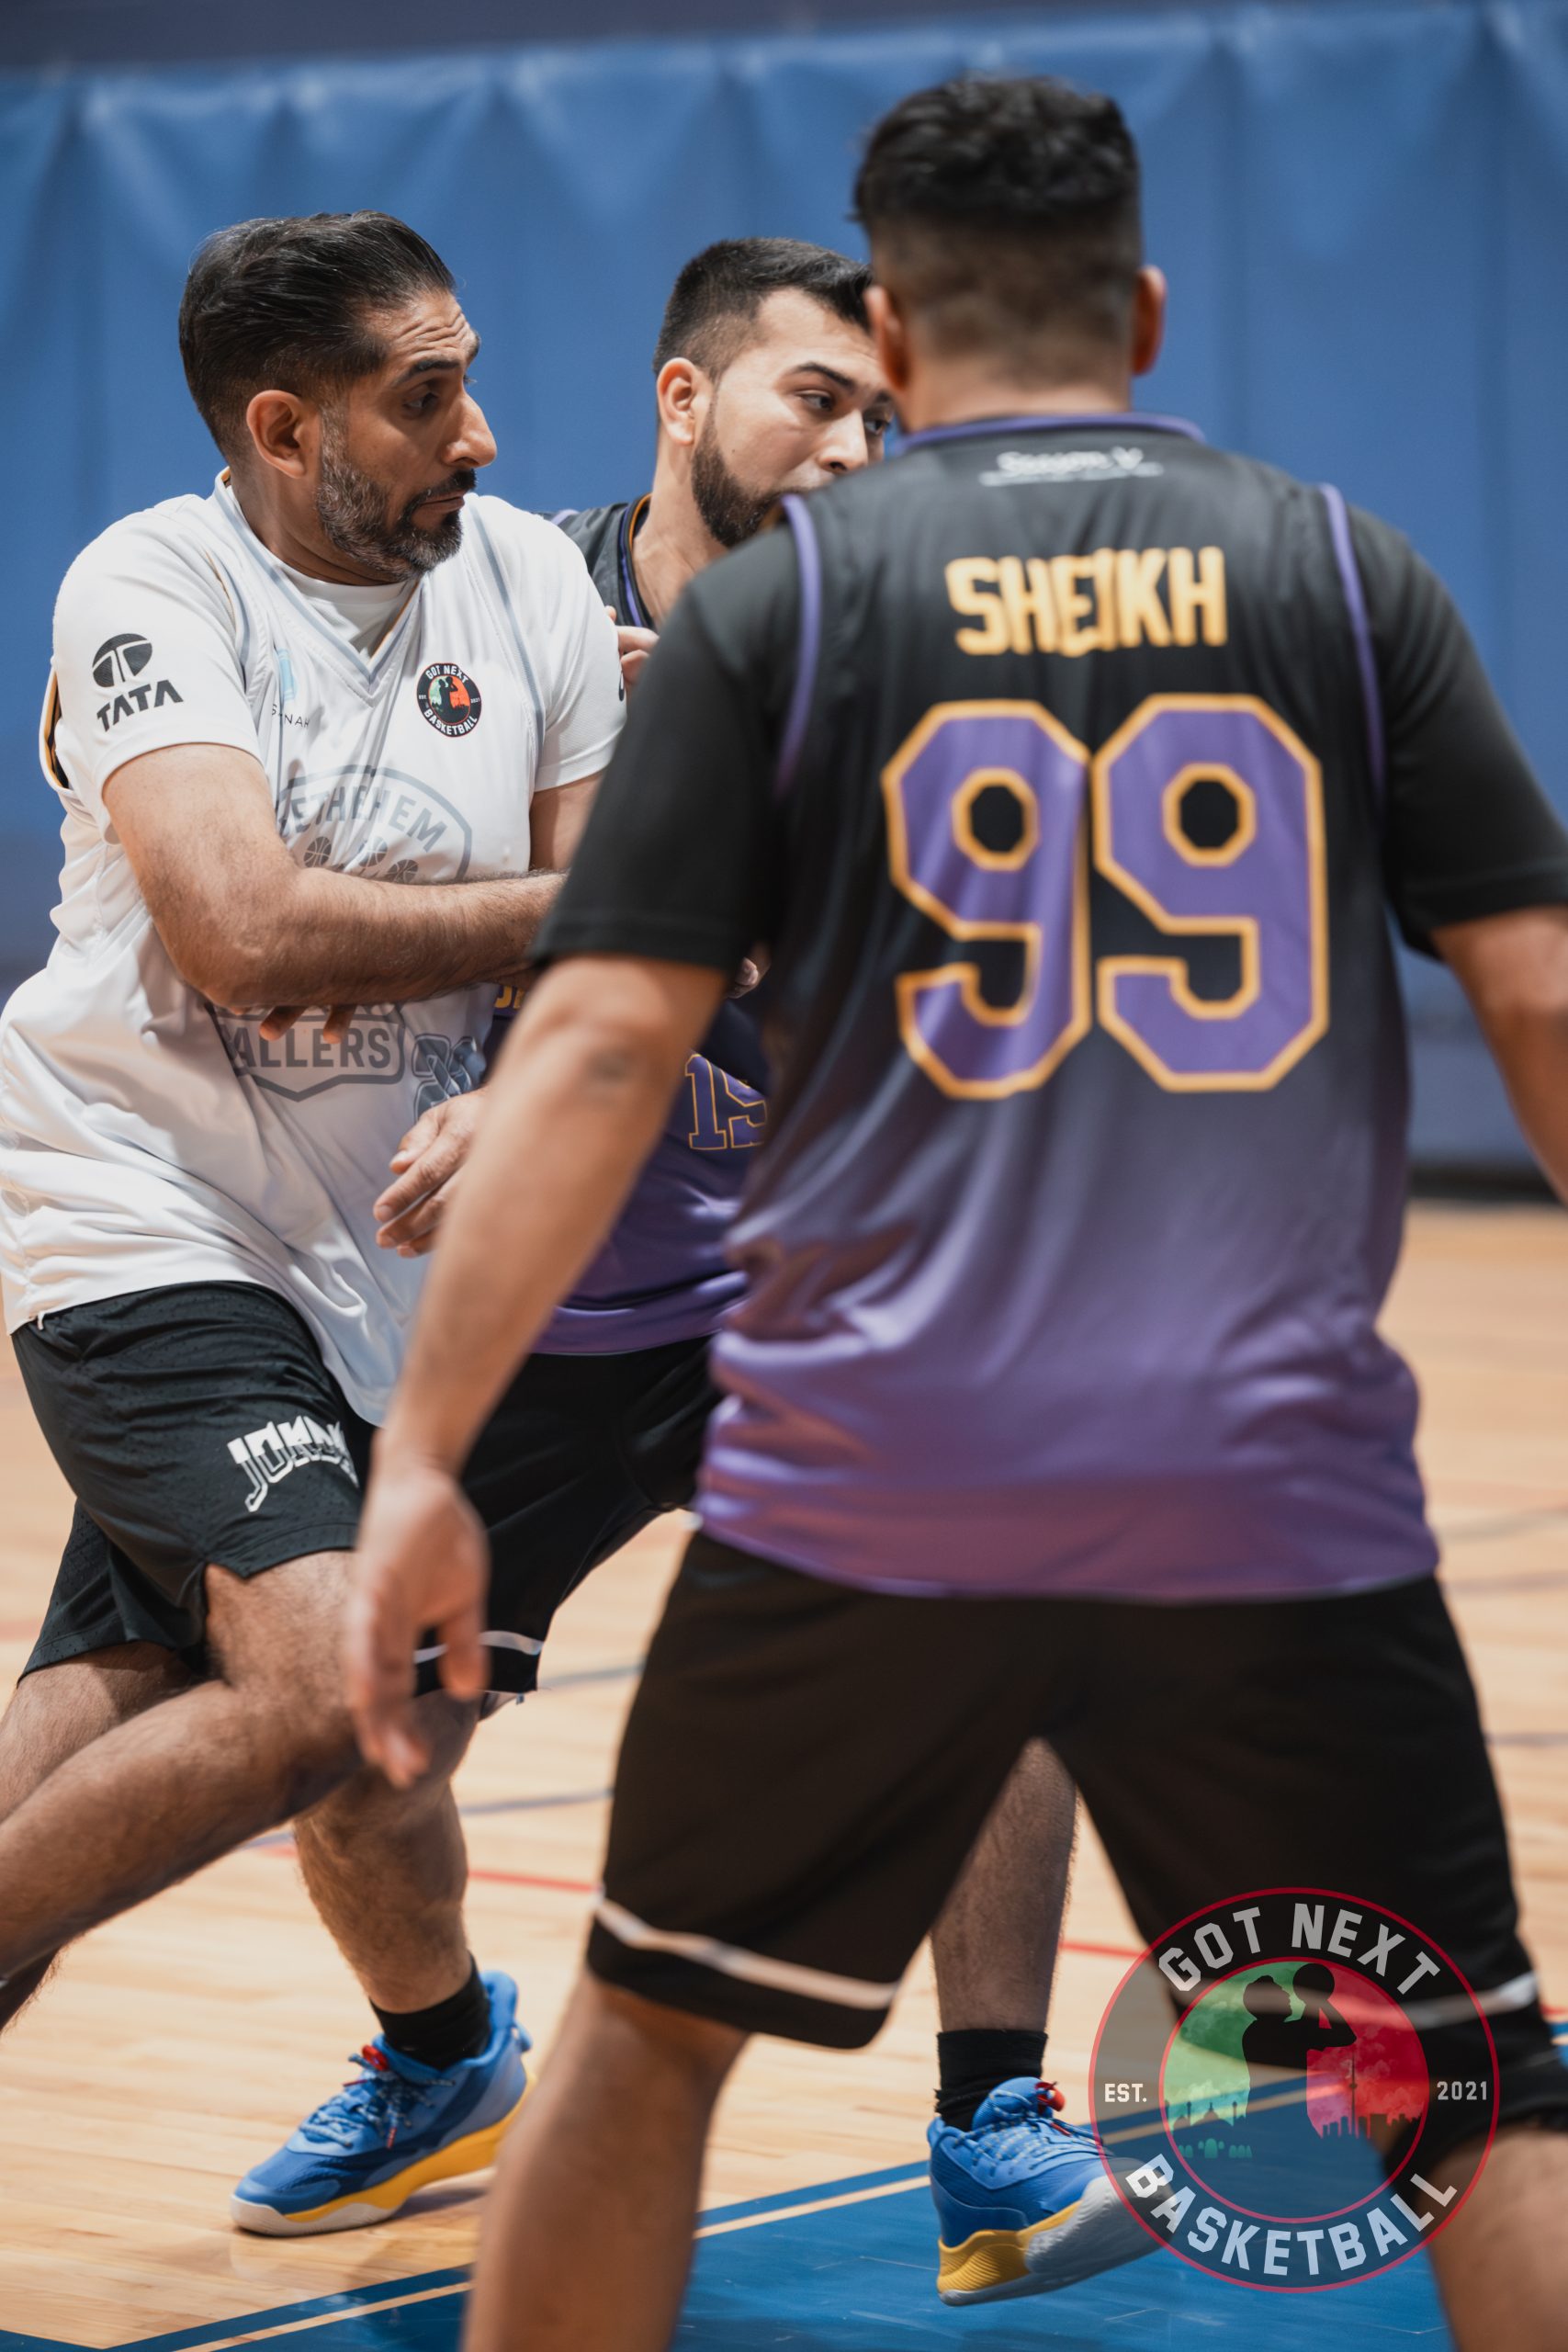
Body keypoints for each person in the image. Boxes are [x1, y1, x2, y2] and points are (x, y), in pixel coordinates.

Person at [344, 72, 1568, 2352]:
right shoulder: (1336, 571)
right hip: (1261, 1479)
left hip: (868, 1481)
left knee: (645, 2037)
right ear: (1146, 309)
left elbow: (593, 1054)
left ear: (891, 336)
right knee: (1464, 2075)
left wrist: (421, 1456)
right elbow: (1540, 997)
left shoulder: (781, 611)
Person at [0, 209, 625, 2223]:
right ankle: (447, 2053)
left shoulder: (528, 585)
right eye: (424, 397)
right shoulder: (151, 583)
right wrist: (593, 903)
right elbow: (243, 929)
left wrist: (525, 1070)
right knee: (329, 1682)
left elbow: (599, 961)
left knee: (117, 1715)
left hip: (372, 1272)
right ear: (285, 426)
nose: (482, 433)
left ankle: (443, 2057)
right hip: (139, 1208)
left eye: (470, 379)